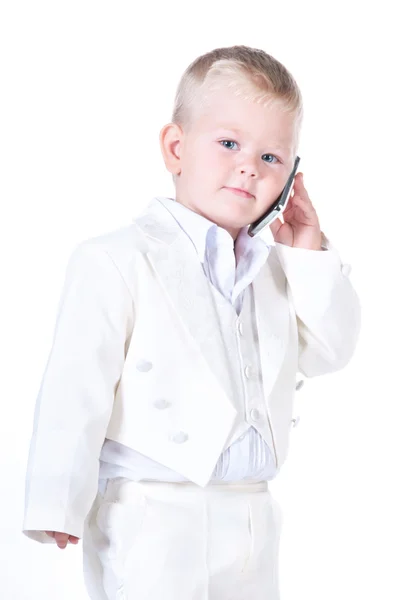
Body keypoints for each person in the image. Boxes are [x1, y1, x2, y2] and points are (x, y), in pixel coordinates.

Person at [22, 44, 361, 599]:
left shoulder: (280, 270)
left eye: (272, 158)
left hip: (253, 513)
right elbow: (75, 387)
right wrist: (58, 499)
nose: (249, 167)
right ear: (176, 148)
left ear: (291, 176)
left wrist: (307, 251)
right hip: (154, 513)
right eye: (228, 144)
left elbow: (332, 351)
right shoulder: (117, 258)